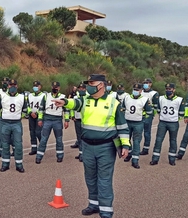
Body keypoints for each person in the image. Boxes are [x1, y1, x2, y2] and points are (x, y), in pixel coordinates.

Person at [52, 74, 130, 218]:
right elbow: (73, 103)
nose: (88, 86)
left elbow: (123, 126)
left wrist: (125, 145)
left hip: (106, 147)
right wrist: (63, 101)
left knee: (104, 179)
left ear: (101, 85)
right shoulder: (85, 100)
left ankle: (106, 211)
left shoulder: (114, 103)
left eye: (91, 83)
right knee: (90, 177)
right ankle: (93, 204)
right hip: (87, 146)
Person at [0, 79, 28, 173]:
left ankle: (19, 165)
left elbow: (25, 110)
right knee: (5, 145)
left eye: (14, 85)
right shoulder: (2, 96)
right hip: (5, 123)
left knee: (18, 145)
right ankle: (5, 164)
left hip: (16, 123)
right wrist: (3, 115)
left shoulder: (22, 97)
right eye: (10, 85)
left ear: (17, 86)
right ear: (8, 86)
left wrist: (18, 116)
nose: (12, 86)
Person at [150, 83, 184, 166]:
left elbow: (181, 112)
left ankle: (172, 159)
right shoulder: (161, 98)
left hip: (173, 123)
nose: (168, 90)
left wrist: (175, 118)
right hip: (163, 122)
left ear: (174, 90)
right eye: (167, 89)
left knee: (173, 141)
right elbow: (158, 109)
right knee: (158, 140)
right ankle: (155, 159)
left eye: (170, 89)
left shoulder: (179, 100)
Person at [35, 81, 69, 164]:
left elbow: (66, 110)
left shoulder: (63, 97)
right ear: (51, 87)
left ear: (59, 88)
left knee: (59, 139)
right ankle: (39, 157)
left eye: (56, 87)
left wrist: (67, 120)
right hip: (47, 119)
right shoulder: (46, 96)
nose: (55, 89)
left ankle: (60, 156)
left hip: (57, 120)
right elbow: (41, 109)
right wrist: (40, 119)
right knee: (44, 139)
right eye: (54, 87)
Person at [122, 83, 152, 169]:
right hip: (127, 121)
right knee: (126, 140)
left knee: (136, 141)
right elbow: (122, 109)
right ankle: (130, 153)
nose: (135, 91)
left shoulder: (145, 99)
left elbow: (149, 112)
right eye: (134, 89)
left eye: (137, 90)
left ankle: (135, 160)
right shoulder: (127, 98)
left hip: (138, 123)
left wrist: (143, 117)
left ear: (141, 91)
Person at [140, 78, 159, 155]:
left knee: (147, 133)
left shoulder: (154, 93)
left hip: (148, 115)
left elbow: (155, 106)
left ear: (150, 84)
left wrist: (151, 115)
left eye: (147, 82)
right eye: (144, 82)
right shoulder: (140, 92)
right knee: (138, 132)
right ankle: (137, 148)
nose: (145, 84)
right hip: (139, 114)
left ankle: (146, 149)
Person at [27, 81, 45, 155]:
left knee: (38, 132)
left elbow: (43, 106)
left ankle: (42, 146)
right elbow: (27, 105)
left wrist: (37, 113)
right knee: (32, 132)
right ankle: (34, 148)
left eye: (37, 86)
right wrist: (30, 112)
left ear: (40, 86)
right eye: (34, 86)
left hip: (39, 115)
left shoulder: (43, 95)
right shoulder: (30, 95)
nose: (35, 87)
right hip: (31, 116)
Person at [70, 82, 87, 161]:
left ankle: (85, 154)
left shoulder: (88, 97)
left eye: (82, 88)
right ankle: (81, 153)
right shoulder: (75, 97)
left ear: (85, 89)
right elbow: (72, 107)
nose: (81, 90)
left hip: (85, 120)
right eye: (80, 88)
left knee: (85, 138)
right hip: (77, 119)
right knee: (79, 137)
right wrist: (72, 116)